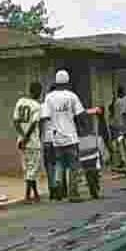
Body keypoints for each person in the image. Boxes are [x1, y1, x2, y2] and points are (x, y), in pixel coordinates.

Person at [41, 69, 87, 202]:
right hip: (71, 137)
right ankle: (73, 194)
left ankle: (58, 187)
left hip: (56, 138)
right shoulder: (72, 96)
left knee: (60, 163)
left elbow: (45, 117)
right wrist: (84, 127)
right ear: (67, 82)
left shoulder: (49, 97)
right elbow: (80, 114)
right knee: (73, 165)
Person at [13, 82, 44, 203]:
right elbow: (34, 123)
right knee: (33, 170)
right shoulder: (37, 105)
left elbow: (15, 122)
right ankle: (27, 196)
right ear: (38, 93)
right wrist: (27, 137)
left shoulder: (20, 102)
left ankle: (35, 194)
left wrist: (22, 136)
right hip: (33, 142)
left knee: (27, 169)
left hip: (21, 141)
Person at [76, 108, 110, 199]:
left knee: (89, 170)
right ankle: (94, 186)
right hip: (90, 149)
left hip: (85, 149)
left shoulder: (81, 127)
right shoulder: (88, 129)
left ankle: (94, 187)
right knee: (92, 169)